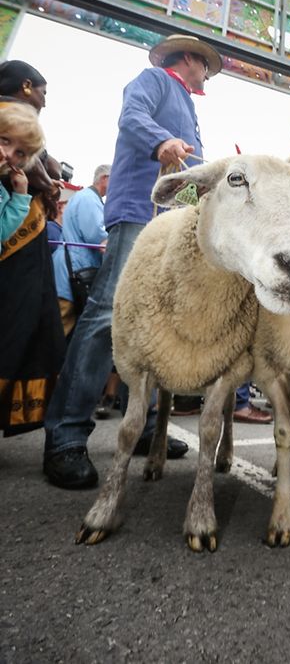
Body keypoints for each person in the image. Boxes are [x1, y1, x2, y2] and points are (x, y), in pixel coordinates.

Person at [43, 34, 223, 489]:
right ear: (190, 59)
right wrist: (162, 140)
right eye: (205, 65)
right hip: (138, 212)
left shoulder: (187, 104)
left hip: (170, 221)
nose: (208, 74)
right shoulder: (154, 80)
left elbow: (189, 170)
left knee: (152, 323)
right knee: (107, 313)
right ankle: (65, 435)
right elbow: (131, 116)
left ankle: (142, 426)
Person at [0, 61, 65, 437]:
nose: (45, 100)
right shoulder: (11, 114)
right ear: (26, 86)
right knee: (16, 325)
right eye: (43, 91)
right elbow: (40, 169)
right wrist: (49, 185)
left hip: (18, 228)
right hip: (16, 249)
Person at [52, 165, 111, 338]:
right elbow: (99, 238)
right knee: (59, 330)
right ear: (105, 178)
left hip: (71, 269)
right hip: (72, 271)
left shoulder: (85, 197)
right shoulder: (88, 199)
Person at [0, 102, 44, 241]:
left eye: (19, 152)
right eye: (5, 140)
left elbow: (3, 232)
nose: (9, 154)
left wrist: (20, 195)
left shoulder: (2, 193)